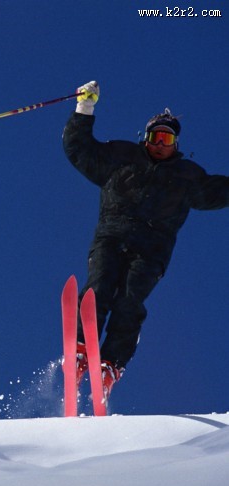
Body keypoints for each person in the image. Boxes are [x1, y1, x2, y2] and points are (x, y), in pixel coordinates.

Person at [63, 80, 229, 400]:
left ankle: (110, 363)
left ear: (176, 143)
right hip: (113, 234)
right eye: (155, 137)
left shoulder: (187, 177)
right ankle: (83, 346)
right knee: (100, 285)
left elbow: (220, 192)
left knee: (130, 299)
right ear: (146, 137)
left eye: (167, 138)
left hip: (152, 248)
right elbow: (79, 150)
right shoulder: (120, 158)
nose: (160, 144)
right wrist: (84, 108)